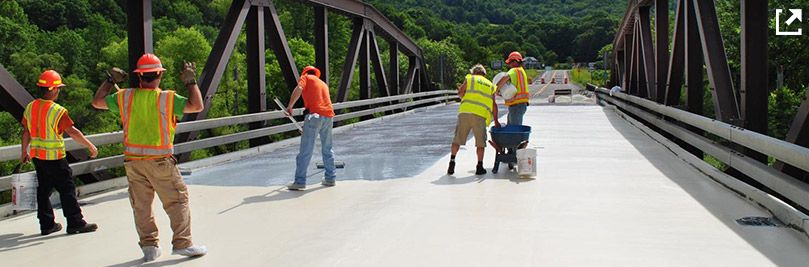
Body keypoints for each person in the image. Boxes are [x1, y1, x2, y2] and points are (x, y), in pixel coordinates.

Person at [91, 54, 206, 262]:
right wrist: (191, 82)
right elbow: (197, 106)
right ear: (159, 76)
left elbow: (97, 102)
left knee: (141, 206)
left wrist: (110, 81)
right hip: (161, 161)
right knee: (177, 201)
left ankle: (149, 247)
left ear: (139, 76)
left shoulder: (125, 96)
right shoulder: (167, 98)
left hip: (134, 163)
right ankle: (183, 243)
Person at [20, 70, 99, 236]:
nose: (59, 92)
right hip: (55, 158)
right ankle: (75, 222)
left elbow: (26, 132)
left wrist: (24, 152)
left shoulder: (30, 107)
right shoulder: (57, 111)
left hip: (38, 157)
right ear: (53, 89)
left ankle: (47, 224)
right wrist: (90, 146)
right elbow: (73, 132)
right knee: (67, 190)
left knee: (43, 191)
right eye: (58, 88)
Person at [286, 66, 337, 190]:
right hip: (329, 116)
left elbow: (299, 88)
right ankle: (330, 178)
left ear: (305, 73)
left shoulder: (306, 78)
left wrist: (290, 106)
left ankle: (299, 181)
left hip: (314, 115)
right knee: (327, 149)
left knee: (305, 151)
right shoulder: (323, 84)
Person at [448, 64, 500, 175]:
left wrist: (467, 100)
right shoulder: (490, 85)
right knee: (480, 142)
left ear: (474, 73)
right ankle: (479, 166)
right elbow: (493, 105)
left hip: (465, 112)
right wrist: (495, 120)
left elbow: (460, 93)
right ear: (484, 74)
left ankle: (452, 161)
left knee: (457, 139)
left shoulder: (470, 79)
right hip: (480, 115)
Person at [495, 51, 532, 125]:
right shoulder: (522, 71)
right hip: (521, 104)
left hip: (516, 105)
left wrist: (496, 89)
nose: (509, 65)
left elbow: (505, 77)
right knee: (512, 128)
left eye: (510, 62)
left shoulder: (514, 70)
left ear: (514, 62)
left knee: (515, 130)